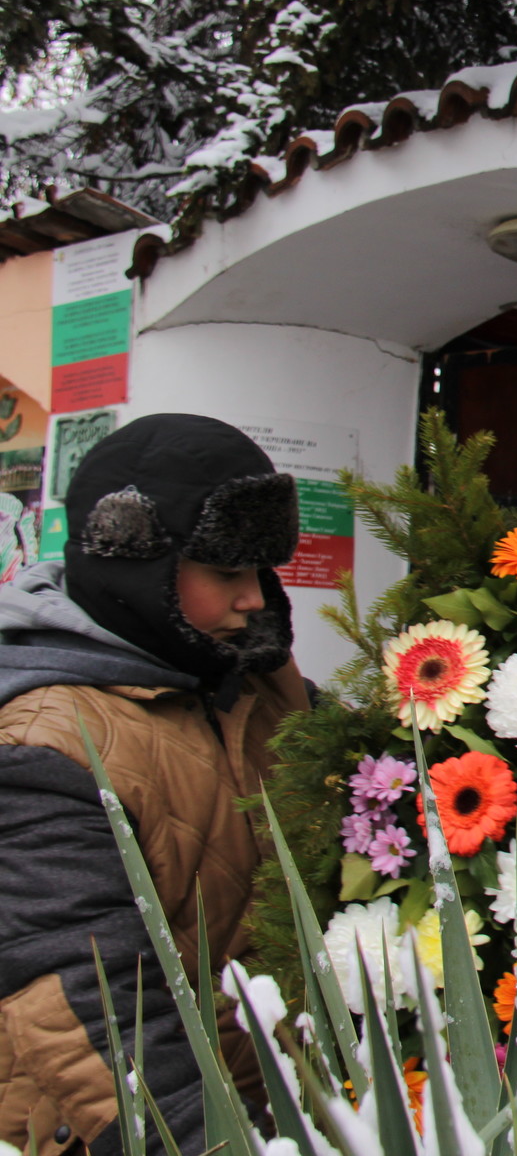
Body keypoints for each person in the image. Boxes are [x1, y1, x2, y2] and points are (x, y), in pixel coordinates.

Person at [0, 414, 309, 1156]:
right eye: (228, 573)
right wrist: (211, 1144)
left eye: (261, 572)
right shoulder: (45, 743)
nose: (255, 600)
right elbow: (86, 997)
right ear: (133, 561)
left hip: (267, 1113)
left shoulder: (253, 684)